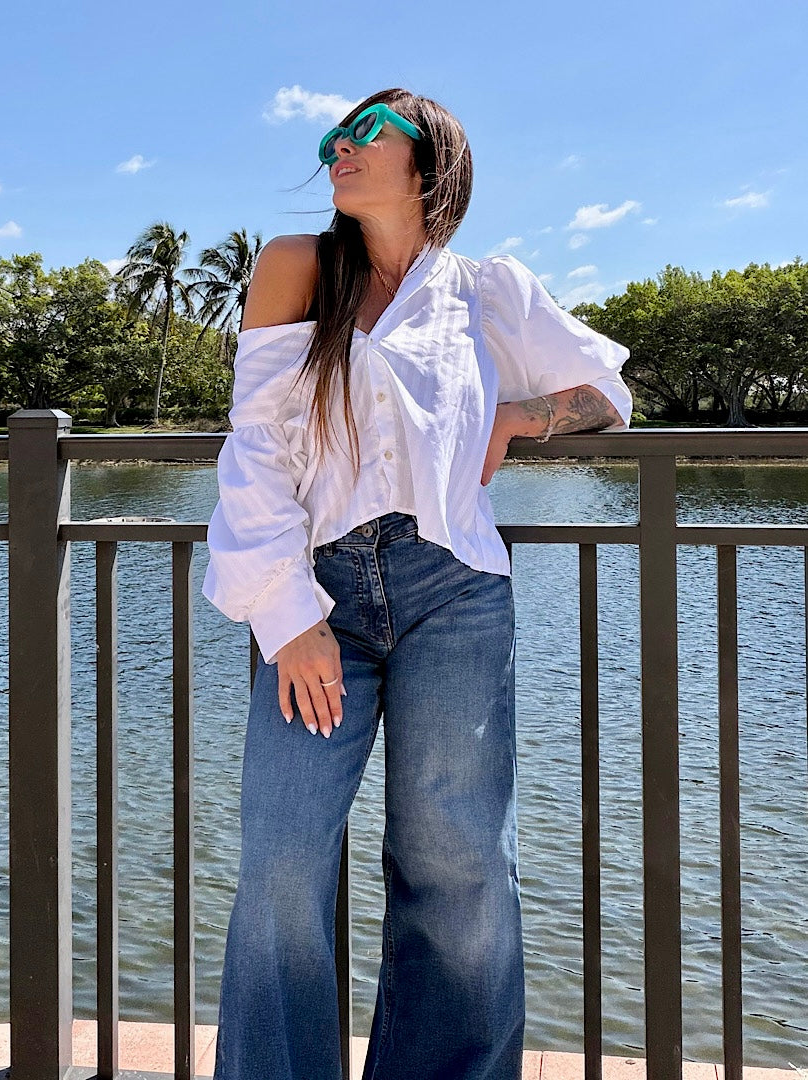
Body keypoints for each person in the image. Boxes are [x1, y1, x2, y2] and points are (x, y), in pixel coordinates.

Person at [201, 88, 632, 1080]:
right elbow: (256, 454)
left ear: (432, 162)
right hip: (316, 597)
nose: (337, 150)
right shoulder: (294, 268)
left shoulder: (487, 288)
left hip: (456, 595)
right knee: (282, 861)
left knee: (462, 866)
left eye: (363, 135)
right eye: (331, 138)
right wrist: (287, 616)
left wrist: (523, 417)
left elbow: (607, 391)